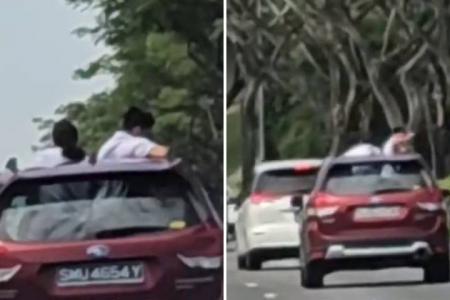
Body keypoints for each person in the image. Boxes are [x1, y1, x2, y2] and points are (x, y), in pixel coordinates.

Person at [96, 106, 169, 161]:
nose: (151, 135)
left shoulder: (106, 146)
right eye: (148, 131)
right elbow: (164, 153)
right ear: (137, 129)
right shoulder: (138, 143)